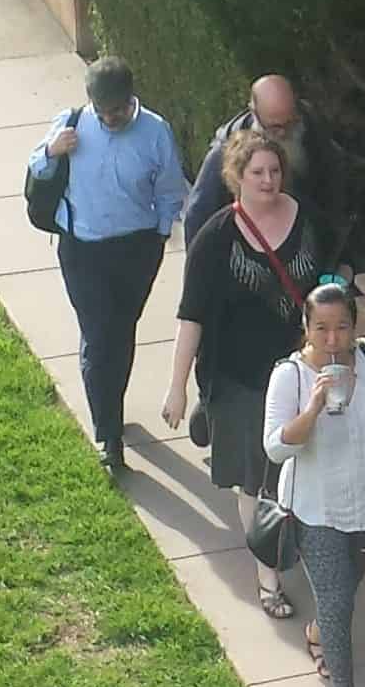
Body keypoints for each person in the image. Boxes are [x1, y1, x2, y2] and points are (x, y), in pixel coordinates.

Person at [160, 127, 315, 596]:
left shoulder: (307, 220)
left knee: (299, 470)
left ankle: (303, 548)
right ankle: (267, 575)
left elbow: (329, 279)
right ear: (237, 177)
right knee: (255, 482)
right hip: (238, 379)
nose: (268, 180)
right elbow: (191, 316)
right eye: (257, 172)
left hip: (300, 372)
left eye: (275, 171)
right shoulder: (216, 238)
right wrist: (176, 386)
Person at [29, 57, 189, 480]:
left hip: (136, 250)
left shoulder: (155, 132)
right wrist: (52, 150)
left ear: (131, 98)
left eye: (116, 110)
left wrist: (159, 236)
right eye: (102, 111)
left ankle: (110, 405)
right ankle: (109, 436)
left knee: (120, 333)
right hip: (82, 250)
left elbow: (170, 190)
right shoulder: (72, 123)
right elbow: (36, 168)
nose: (109, 118)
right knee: (100, 338)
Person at [265, 279, 365, 687]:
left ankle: (317, 634)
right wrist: (314, 409)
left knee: (343, 594)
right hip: (316, 511)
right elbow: (275, 447)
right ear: (306, 328)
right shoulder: (290, 377)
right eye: (322, 328)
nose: (333, 339)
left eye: (342, 327)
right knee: (338, 604)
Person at [183, 74, 308, 248]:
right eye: (275, 127)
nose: (284, 133)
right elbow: (197, 218)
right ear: (255, 114)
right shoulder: (224, 154)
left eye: (290, 124)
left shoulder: (311, 135)